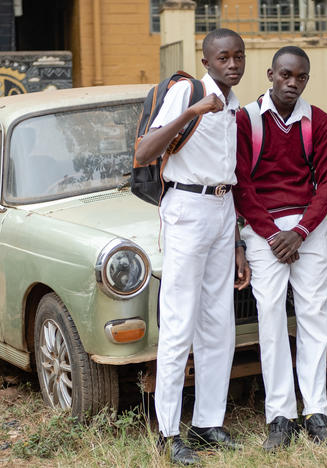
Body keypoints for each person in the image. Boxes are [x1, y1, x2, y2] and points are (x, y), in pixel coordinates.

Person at [133, 28, 250, 465]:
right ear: (207, 60)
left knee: (219, 322)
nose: (233, 64)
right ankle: (167, 433)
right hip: (186, 208)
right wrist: (194, 109)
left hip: (222, 208)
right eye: (224, 57)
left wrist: (237, 239)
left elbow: (228, 171)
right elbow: (145, 151)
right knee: (180, 321)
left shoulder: (235, 103)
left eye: (238, 56)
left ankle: (206, 423)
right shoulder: (187, 91)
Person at [233, 46, 327, 451]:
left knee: (315, 313)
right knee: (271, 317)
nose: (292, 83)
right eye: (285, 75)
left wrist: (300, 230)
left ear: (306, 80)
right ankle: (280, 414)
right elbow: (240, 182)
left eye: (300, 78)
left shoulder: (320, 122)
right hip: (263, 231)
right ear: (271, 74)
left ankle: (316, 411)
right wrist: (270, 233)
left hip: (306, 227)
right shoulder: (247, 120)